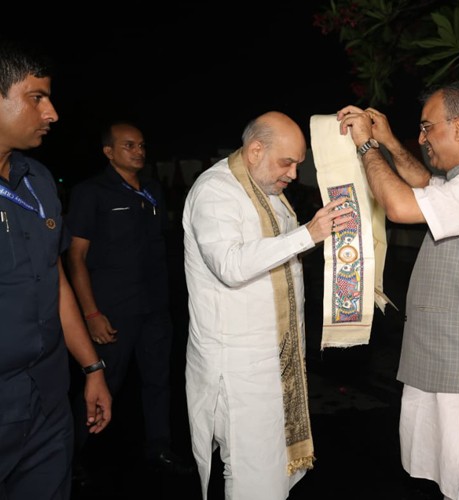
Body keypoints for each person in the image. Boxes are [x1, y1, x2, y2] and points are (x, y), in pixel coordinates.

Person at [336, 80, 459, 500]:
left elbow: (401, 205)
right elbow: (423, 184)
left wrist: (366, 146)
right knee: (455, 484)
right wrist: (389, 143)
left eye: (427, 128)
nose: (421, 139)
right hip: (449, 363)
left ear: (458, 127)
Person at [182, 111, 353, 499]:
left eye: (297, 164)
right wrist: (308, 234)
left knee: (272, 470)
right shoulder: (217, 192)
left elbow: (281, 254)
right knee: (252, 476)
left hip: (274, 360)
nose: (293, 174)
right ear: (256, 150)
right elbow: (231, 265)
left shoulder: (267, 192)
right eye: (287, 162)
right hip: (239, 367)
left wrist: (324, 239)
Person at [0, 40, 112, 499]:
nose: (52, 113)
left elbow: (56, 278)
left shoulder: (39, 181)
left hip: (48, 400)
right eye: (36, 98)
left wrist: (92, 367)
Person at [64, 120, 195, 476]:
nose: (139, 152)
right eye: (129, 146)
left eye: (141, 145)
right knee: (103, 383)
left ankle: (159, 448)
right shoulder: (91, 192)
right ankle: (69, 460)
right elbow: (75, 257)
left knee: (158, 381)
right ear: (108, 152)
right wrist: (91, 314)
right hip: (113, 310)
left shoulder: (152, 189)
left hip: (154, 306)